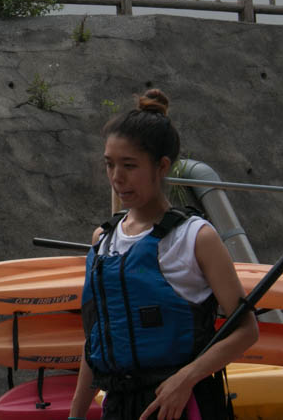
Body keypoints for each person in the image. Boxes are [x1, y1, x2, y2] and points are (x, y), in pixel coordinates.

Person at [68, 89, 259, 420]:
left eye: (129, 166)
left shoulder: (196, 237)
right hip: (119, 406)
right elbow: (97, 342)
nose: (117, 177)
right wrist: (75, 415)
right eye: (109, 164)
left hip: (181, 405)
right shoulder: (102, 242)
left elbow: (246, 330)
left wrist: (187, 377)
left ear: (162, 166)